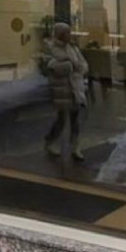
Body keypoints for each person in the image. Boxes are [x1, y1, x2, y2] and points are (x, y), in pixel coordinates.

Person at [42, 22, 89, 161]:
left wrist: (77, 67)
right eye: (67, 33)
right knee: (62, 118)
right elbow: (54, 67)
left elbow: (83, 64)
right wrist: (70, 66)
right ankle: (50, 141)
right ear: (60, 34)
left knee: (74, 118)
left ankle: (75, 147)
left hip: (75, 89)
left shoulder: (72, 48)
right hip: (62, 89)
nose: (69, 35)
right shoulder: (52, 49)